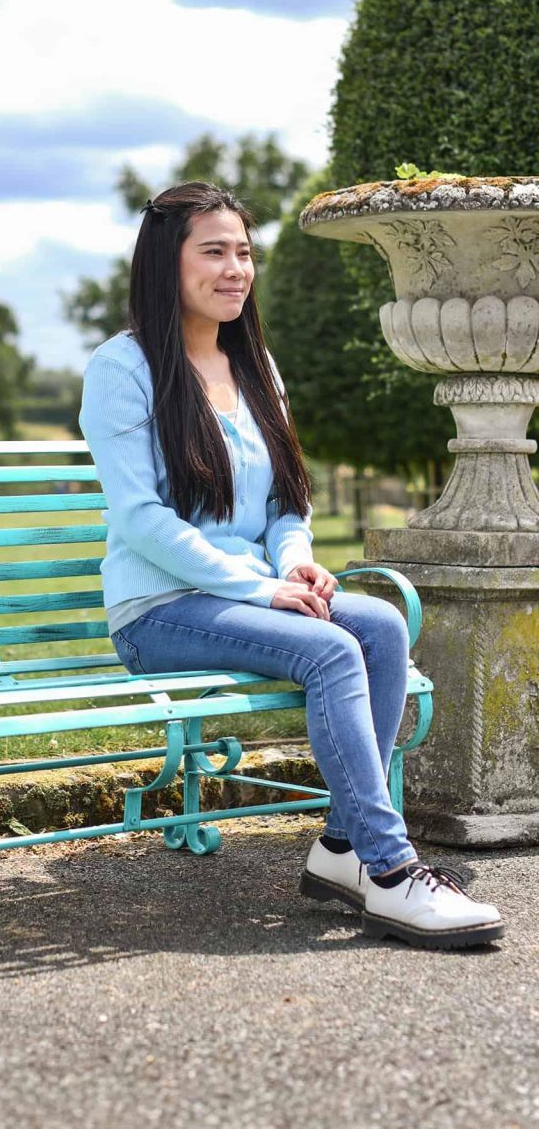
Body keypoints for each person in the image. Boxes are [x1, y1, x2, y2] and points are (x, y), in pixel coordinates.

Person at [77, 181, 504, 950]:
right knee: (333, 649)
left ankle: (340, 850)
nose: (236, 268)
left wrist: (297, 565)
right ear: (163, 263)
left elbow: (286, 505)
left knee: (375, 625)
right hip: (160, 609)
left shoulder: (256, 367)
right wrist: (263, 589)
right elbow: (142, 520)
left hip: (252, 596)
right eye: (214, 251)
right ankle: (391, 869)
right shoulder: (124, 368)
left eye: (244, 252)